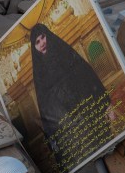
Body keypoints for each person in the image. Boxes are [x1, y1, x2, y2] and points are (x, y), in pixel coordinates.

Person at [29, 23, 110, 153]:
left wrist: (106, 104)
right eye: (37, 42)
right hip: (70, 123)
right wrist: (52, 135)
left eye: (43, 37)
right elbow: (44, 106)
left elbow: (88, 75)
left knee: (106, 143)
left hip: (89, 108)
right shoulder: (39, 73)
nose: (42, 43)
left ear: (48, 35)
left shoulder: (65, 52)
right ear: (34, 47)